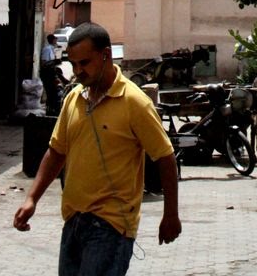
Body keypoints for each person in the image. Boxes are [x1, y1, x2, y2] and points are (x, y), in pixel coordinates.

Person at [14, 22, 181, 275]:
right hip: (73, 221)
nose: (78, 71)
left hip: (111, 227)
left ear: (106, 55)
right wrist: (31, 199)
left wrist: (170, 215)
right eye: (74, 64)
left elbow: (165, 157)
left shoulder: (135, 102)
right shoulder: (74, 98)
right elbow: (57, 151)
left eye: (85, 63)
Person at [40, 34, 59, 116]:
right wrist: (54, 62)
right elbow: (44, 63)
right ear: (52, 40)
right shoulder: (47, 49)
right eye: (55, 39)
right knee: (50, 92)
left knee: (53, 92)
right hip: (47, 74)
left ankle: (52, 109)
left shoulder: (52, 49)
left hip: (51, 74)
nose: (56, 41)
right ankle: (50, 109)